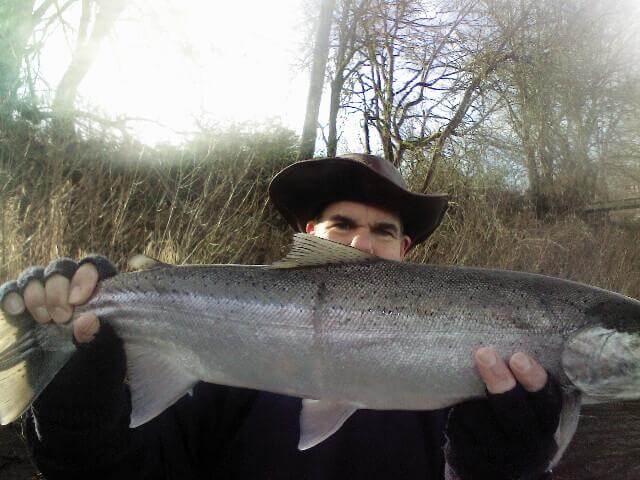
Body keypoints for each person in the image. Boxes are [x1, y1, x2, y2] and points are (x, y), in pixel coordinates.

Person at [0, 153, 561, 479]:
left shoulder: (473, 387)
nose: (363, 243)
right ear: (308, 240)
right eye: (342, 225)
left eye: (385, 230)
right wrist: (77, 410)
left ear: (406, 252)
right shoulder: (220, 371)